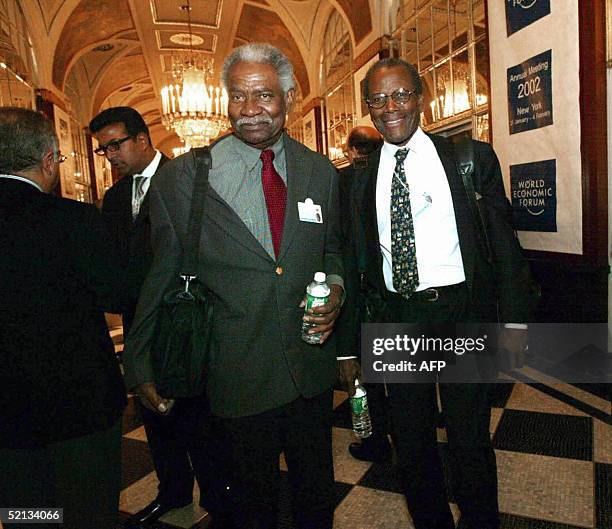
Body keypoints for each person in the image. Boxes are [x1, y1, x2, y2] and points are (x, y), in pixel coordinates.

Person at [122, 43, 345, 529]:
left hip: (309, 372)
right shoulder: (184, 179)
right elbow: (158, 277)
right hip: (235, 375)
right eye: (239, 97)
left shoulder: (320, 173)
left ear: (289, 96)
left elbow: (331, 251)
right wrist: (139, 363)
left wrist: (340, 288)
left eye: (264, 95)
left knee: (315, 499)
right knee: (249, 507)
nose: (250, 111)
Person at [339, 58, 537, 529]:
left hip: (460, 311)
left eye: (401, 95)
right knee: (410, 442)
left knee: (469, 436)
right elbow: (353, 261)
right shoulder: (357, 180)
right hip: (397, 317)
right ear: (368, 107)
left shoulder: (470, 160)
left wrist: (513, 324)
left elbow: (505, 248)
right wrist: (349, 347)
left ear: (421, 98)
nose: (391, 108)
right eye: (379, 99)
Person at [0, 107, 126, 529]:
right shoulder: (74, 220)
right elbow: (115, 292)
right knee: (88, 513)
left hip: (8, 416)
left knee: (25, 514)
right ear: (50, 159)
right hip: (80, 406)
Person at [89, 107, 213, 528]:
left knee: (197, 415)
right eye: (103, 149)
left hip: (182, 318)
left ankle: (218, 498)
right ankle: (173, 491)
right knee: (153, 412)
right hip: (138, 320)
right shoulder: (115, 196)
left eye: (115, 144)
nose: (110, 156)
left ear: (142, 138)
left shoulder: (185, 179)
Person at [337, 127, 391, 462]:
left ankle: (374, 440)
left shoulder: (341, 182)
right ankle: (412, 433)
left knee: (365, 378)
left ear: (351, 150)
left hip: (357, 291)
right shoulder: (389, 174)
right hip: (391, 292)